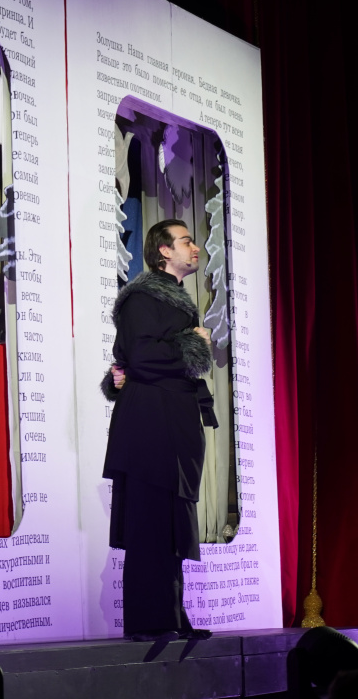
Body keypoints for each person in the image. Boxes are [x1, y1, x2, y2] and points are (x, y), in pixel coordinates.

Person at [101, 219, 216, 642]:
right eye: (186, 241)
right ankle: (149, 621)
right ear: (164, 251)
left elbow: (128, 363)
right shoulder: (142, 297)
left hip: (173, 422)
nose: (195, 247)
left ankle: (171, 616)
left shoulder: (176, 301)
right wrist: (195, 343)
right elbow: (141, 356)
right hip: (150, 425)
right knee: (149, 522)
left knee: (170, 523)